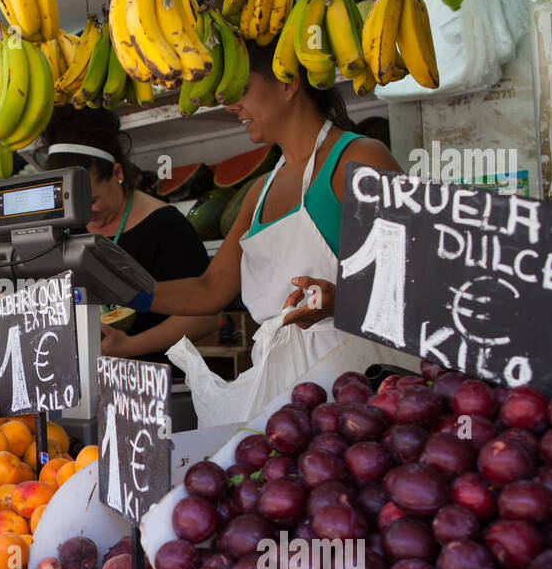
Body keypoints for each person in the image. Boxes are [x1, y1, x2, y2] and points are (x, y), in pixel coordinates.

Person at [130, 41, 406, 419]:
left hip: (360, 388)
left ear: (288, 83)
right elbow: (209, 291)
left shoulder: (360, 159)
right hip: (280, 397)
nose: (230, 106)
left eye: (241, 89)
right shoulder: (258, 193)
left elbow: (415, 281)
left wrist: (340, 302)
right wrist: (125, 290)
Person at [38, 107, 221, 367]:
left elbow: (207, 317)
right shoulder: (62, 228)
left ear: (117, 174)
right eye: (69, 205)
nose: (82, 214)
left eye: (91, 201)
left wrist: (131, 346)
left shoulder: (165, 226)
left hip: (155, 381)